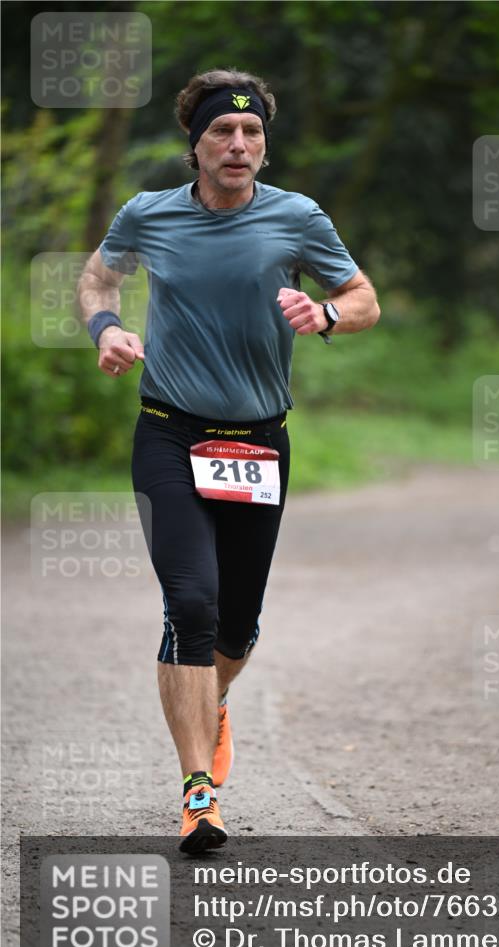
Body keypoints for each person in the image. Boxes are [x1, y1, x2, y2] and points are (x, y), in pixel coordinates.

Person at [77, 68, 380, 853]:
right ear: (196, 144)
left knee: (235, 631)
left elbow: (364, 300)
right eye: (222, 132)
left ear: (264, 146)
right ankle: (197, 793)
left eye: (251, 134)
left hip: (256, 443)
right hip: (169, 433)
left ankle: (208, 703)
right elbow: (97, 277)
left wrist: (323, 315)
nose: (238, 144)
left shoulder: (297, 218)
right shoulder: (148, 214)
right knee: (191, 603)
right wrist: (106, 327)